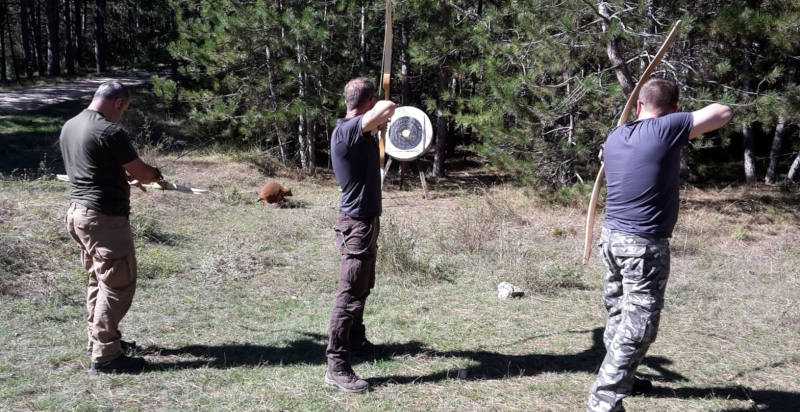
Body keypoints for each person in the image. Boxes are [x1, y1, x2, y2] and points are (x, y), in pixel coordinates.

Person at [586, 78, 733, 411]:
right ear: (674, 110)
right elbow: (722, 111)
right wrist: (672, 121)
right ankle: (604, 398)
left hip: (611, 241)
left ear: (637, 105)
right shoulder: (666, 129)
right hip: (642, 244)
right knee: (640, 325)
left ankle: (626, 377)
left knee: (620, 314)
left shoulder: (615, 136)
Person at [60, 81, 162, 374]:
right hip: (103, 218)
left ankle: (99, 341)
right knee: (117, 284)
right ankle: (106, 356)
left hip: (79, 215)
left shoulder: (71, 124)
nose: (122, 115)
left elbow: (92, 166)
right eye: (124, 109)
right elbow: (142, 172)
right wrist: (153, 175)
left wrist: (120, 178)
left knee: (98, 280)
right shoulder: (109, 130)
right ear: (118, 102)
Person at [325, 77, 396, 393]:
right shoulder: (347, 132)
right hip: (355, 224)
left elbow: (381, 114)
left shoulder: (360, 131)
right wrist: (383, 106)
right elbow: (389, 106)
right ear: (366, 104)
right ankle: (336, 367)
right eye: (373, 103)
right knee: (348, 295)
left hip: (365, 223)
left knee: (364, 286)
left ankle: (356, 340)